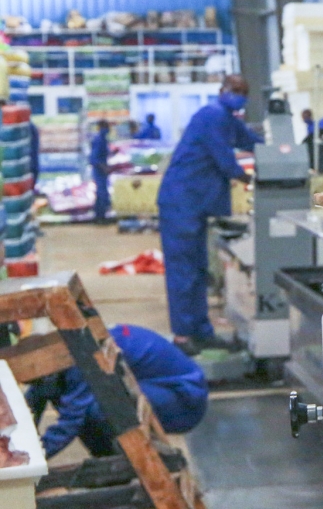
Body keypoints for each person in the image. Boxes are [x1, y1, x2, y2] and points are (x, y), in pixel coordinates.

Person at [158, 75, 261, 353]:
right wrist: (249, 177)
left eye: (243, 91)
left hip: (196, 205)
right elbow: (224, 159)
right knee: (183, 270)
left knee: (199, 270)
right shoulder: (211, 115)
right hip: (181, 202)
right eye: (235, 90)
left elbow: (249, 139)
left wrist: (282, 150)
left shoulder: (227, 118)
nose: (239, 95)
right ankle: (182, 336)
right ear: (222, 91)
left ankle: (201, 331)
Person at [25, 324, 207, 459]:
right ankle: (111, 460)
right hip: (167, 389)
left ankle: (114, 464)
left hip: (184, 402)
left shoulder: (82, 362)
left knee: (93, 410)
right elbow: (36, 396)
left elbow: (72, 419)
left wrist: (33, 459)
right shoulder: (66, 349)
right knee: (68, 395)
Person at [89, 120, 111, 223]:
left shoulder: (101, 139)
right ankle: (100, 217)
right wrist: (104, 168)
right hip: (99, 170)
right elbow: (95, 158)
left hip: (100, 170)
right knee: (102, 193)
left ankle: (99, 216)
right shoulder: (99, 140)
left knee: (100, 193)